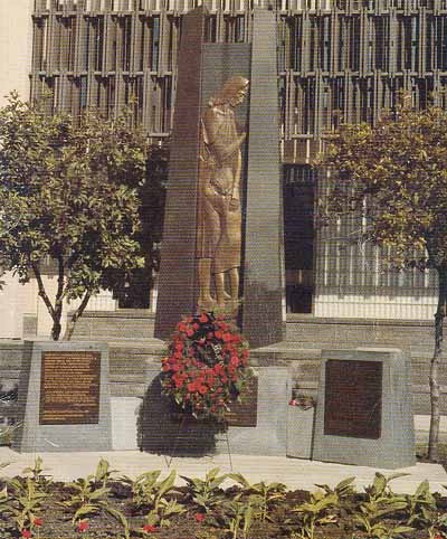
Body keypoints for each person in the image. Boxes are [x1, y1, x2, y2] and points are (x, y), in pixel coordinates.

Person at [196, 76, 249, 310]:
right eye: (241, 92)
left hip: (227, 186)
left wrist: (236, 186)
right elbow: (221, 152)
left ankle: (220, 292)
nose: (244, 96)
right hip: (210, 186)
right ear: (231, 90)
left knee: (225, 241)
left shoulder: (230, 115)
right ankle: (205, 294)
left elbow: (236, 157)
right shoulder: (214, 114)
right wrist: (244, 136)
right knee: (212, 239)